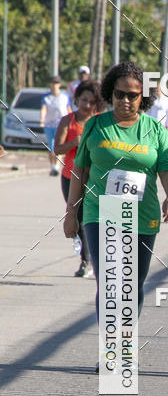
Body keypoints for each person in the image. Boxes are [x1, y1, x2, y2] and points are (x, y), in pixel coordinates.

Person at [63, 61, 168, 367]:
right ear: (109, 93)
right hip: (102, 211)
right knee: (110, 282)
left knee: (132, 286)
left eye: (132, 95)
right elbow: (80, 170)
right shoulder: (95, 126)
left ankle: (125, 343)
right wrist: (71, 213)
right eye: (119, 94)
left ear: (143, 97)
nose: (125, 100)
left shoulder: (155, 130)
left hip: (142, 215)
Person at [54, 79, 102, 278]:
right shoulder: (68, 120)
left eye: (91, 102)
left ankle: (95, 259)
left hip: (95, 178)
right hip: (70, 177)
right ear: (77, 99)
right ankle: (86, 260)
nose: (87, 105)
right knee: (79, 218)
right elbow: (57, 149)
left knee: (95, 218)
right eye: (84, 100)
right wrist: (74, 142)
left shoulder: (100, 122)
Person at [40, 76, 69, 176]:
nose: (54, 85)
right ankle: (52, 166)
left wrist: (71, 121)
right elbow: (44, 108)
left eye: (56, 83)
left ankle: (57, 166)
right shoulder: (46, 97)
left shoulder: (65, 96)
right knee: (51, 147)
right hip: (49, 125)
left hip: (61, 125)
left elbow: (68, 109)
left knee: (59, 145)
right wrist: (42, 119)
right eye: (53, 83)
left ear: (59, 85)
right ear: (50, 84)